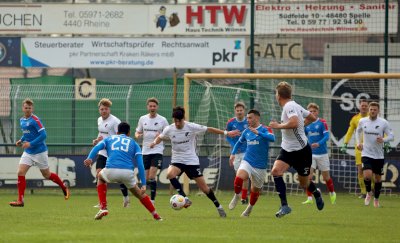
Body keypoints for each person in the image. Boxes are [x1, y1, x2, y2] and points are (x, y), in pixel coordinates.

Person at [150, 106, 240, 218]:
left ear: (183, 118)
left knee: (205, 188)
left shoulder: (191, 126)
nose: (177, 123)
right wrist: (154, 142)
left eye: (179, 120)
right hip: (177, 160)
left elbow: (209, 129)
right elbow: (161, 137)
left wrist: (226, 133)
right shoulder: (169, 129)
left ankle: (218, 206)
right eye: (175, 121)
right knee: (169, 174)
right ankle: (184, 197)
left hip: (191, 161)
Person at [84, 122, 162, 221]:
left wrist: (90, 158)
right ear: (129, 133)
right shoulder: (134, 143)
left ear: (117, 132)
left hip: (110, 170)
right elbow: (140, 164)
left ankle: (103, 207)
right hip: (127, 173)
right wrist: (143, 183)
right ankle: (156, 215)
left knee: (100, 177)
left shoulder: (109, 139)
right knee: (139, 193)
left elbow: (96, 147)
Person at [269, 81, 324, 218]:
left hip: (301, 151)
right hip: (287, 149)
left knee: (303, 183)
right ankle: (284, 206)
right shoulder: (295, 105)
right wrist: (302, 126)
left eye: (276, 93)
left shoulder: (289, 106)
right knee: (276, 171)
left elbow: (294, 122)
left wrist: (278, 125)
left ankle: (316, 193)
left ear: (278, 95)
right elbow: (312, 117)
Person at [9, 98, 70, 207]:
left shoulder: (35, 120)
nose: (28, 109)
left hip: (39, 152)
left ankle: (64, 187)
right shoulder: (22, 120)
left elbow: (43, 135)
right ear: (23, 108)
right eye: (26, 107)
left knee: (47, 175)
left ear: (32, 108)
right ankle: (20, 200)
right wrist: (21, 140)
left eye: (30, 108)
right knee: (20, 172)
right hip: (28, 152)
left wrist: (30, 143)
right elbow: (27, 133)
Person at [228, 109, 275, 217]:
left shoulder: (265, 129)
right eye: (247, 118)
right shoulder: (246, 131)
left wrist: (259, 133)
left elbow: (272, 138)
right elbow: (239, 143)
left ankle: (249, 208)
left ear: (257, 118)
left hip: (260, 166)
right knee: (239, 177)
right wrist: (233, 154)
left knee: (255, 190)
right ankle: (236, 196)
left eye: (250, 118)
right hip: (247, 161)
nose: (247, 120)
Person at [92, 98, 130, 208]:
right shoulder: (99, 120)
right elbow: (101, 134)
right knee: (99, 174)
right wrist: (96, 141)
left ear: (109, 110)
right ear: (99, 110)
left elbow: (121, 136)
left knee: (119, 177)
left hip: (113, 152)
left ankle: (126, 197)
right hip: (103, 151)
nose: (104, 111)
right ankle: (102, 203)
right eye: (102, 109)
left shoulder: (115, 121)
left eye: (106, 109)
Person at [355, 102, 394, 208]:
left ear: (378, 111)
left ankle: (376, 199)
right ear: (369, 110)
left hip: (379, 155)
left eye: (374, 109)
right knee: (367, 175)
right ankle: (368, 193)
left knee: (377, 179)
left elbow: (391, 136)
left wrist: (383, 139)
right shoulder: (363, 121)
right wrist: (358, 143)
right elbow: (357, 131)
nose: (372, 111)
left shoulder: (383, 123)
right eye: (371, 109)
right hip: (366, 153)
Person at [135, 97, 169, 205]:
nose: (152, 108)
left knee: (151, 176)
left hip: (157, 151)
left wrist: (162, 136)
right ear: (147, 107)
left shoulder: (162, 120)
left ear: (157, 107)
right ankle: (144, 198)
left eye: (154, 106)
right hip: (145, 151)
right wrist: (139, 135)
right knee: (145, 178)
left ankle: (152, 200)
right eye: (150, 106)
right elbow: (136, 133)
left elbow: (170, 135)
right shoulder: (142, 119)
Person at [303, 103, 336, 205]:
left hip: (322, 153)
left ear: (317, 112)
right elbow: (303, 136)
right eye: (310, 111)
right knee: (308, 177)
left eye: (314, 111)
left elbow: (326, 136)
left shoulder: (322, 122)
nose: (312, 113)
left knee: (326, 177)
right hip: (310, 154)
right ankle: (309, 198)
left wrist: (319, 143)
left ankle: (332, 193)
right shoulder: (306, 123)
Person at [340, 99, 369, 198]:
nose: (364, 107)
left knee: (370, 170)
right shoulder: (355, 118)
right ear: (359, 106)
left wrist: (385, 141)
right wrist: (345, 143)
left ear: (368, 107)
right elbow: (350, 131)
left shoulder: (373, 117)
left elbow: (382, 129)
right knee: (360, 169)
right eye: (362, 105)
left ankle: (371, 189)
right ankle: (364, 192)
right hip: (359, 148)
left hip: (371, 148)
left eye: (365, 105)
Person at [225, 102, 250, 205]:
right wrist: (233, 144)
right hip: (236, 153)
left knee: (245, 175)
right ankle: (239, 195)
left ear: (244, 111)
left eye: (241, 110)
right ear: (235, 111)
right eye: (237, 110)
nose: (239, 112)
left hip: (247, 152)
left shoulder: (248, 121)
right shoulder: (231, 122)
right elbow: (227, 135)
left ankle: (244, 197)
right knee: (238, 176)